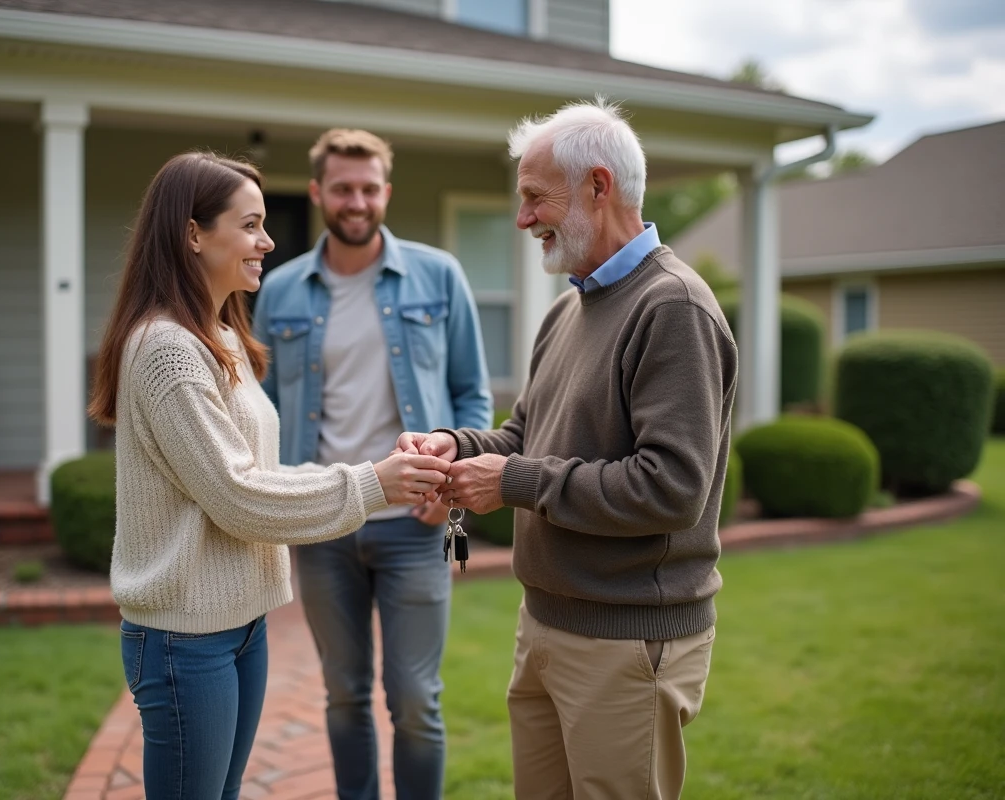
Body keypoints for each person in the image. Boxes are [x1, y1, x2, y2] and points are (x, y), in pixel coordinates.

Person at [399, 98, 739, 799]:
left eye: (533, 198)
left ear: (598, 185)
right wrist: (456, 444)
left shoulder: (671, 306)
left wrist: (515, 481)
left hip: (626, 646)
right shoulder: (569, 308)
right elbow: (527, 436)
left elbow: (671, 488)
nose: (522, 219)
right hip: (547, 625)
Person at [87, 151, 452, 800]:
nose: (269, 240)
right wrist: (374, 483)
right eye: (251, 224)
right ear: (193, 234)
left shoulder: (219, 337)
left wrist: (380, 473)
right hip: (183, 638)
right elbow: (237, 495)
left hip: (240, 621)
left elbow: (258, 473)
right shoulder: (168, 348)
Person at [253, 129, 492, 800]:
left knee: (416, 699)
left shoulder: (438, 274)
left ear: (385, 191)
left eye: (368, 188)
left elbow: (473, 392)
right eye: (342, 188)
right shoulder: (280, 291)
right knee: (343, 694)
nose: (355, 201)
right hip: (325, 521)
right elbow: (265, 412)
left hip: (416, 522)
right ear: (317, 193)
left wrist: (450, 491)